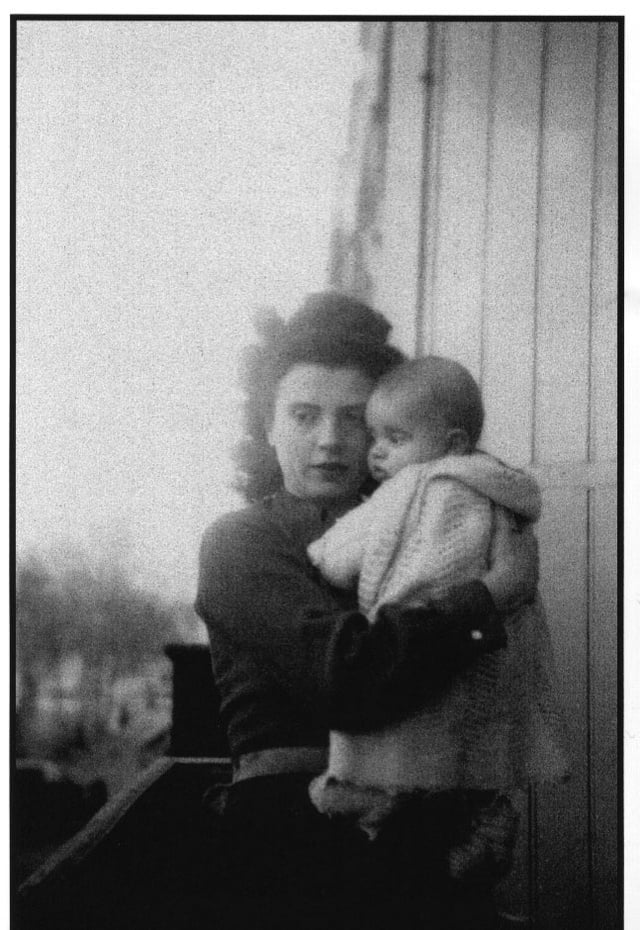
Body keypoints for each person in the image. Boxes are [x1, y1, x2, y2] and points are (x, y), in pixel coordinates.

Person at [194, 292, 540, 930]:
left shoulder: (426, 526)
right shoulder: (242, 541)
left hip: (431, 838)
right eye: (303, 416)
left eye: (353, 419)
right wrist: (488, 598)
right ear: (267, 427)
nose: (328, 441)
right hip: (292, 851)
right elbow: (346, 678)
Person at [307, 356, 569, 855]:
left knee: (405, 736)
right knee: (476, 746)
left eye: (396, 439)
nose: (378, 453)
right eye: (376, 436)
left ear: (451, 444)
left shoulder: (414, 485)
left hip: (429, 634)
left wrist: (317, 554)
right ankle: (483, 816)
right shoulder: (497, 491)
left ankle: (383, 796)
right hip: (494, 650)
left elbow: (340, 557)